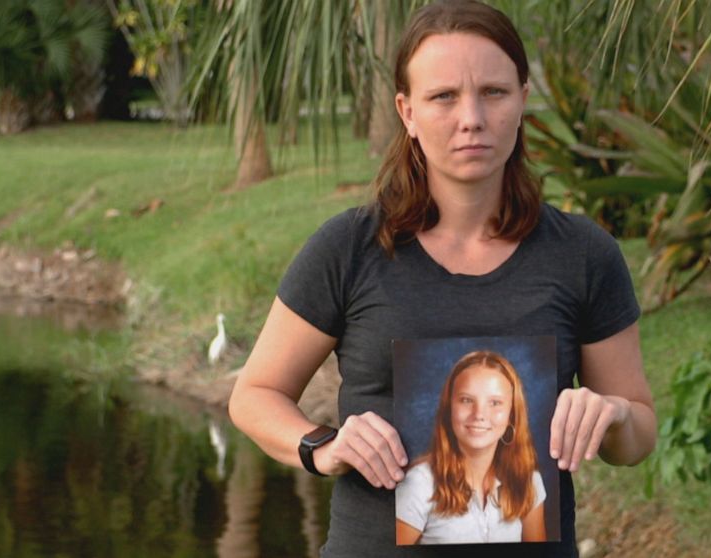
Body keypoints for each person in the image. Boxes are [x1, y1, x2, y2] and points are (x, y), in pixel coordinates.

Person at [228, 1, 657, 556]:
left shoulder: (582, 254)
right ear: (407, 112)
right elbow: (254, 395)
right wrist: (322, 447)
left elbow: (638, 435)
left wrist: (615, 414)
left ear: (524, 100)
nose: (471, 117)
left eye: (494, 92)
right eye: (443, 97)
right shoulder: (349, 248)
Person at [396, 350, 546, 545]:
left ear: (512, 415)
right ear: (449, 408)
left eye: (495, 403)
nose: (479, 414)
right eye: (466, 400)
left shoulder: (529, 481)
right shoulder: (419, 484)